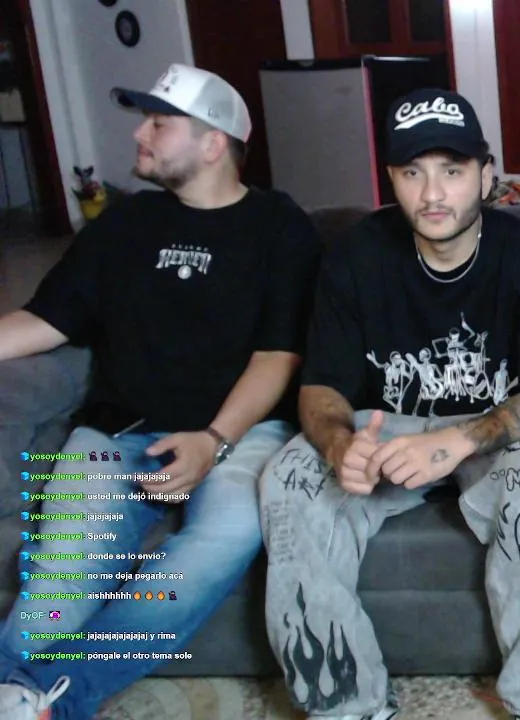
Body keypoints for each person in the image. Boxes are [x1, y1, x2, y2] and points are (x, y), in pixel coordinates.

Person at [0, 63, 321, 720]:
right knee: (61, 577)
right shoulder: (124, 223)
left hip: (242, 435)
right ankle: (14, 685)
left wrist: (213, 440)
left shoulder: (279, 227)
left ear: (213, 142)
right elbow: (47, 319)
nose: (139, 135)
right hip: (116, 433)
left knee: (221, 541)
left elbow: (278, 355)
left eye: (158, 123)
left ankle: (51, 695)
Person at [258, 88, 520, 720]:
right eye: (412, 173)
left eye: (452, 171)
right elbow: (321, 385)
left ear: (486, 175)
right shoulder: (354, 255)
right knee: (289, 476)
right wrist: (338, 444)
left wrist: (457, 440)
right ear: (391, 179)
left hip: (491, 429)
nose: (432, 194)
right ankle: (346, 705)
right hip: (383, 427)